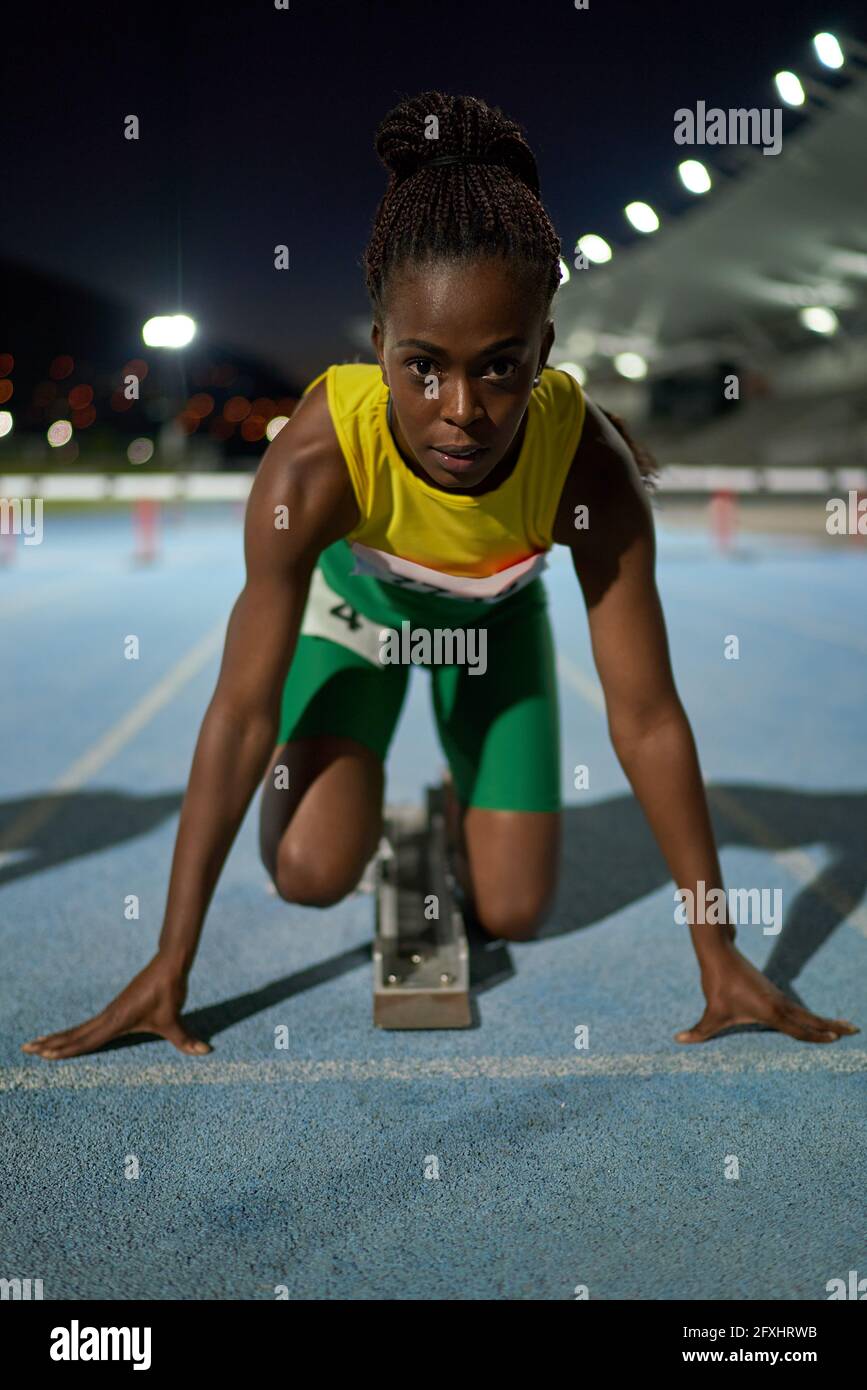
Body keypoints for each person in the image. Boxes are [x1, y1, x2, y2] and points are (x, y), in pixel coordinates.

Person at [23, 91, 857, 1060]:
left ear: (543, 352)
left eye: (500, 367)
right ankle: (364, 784)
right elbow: (243, 713)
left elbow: (648, 716)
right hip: (356, 630)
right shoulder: (314, 463)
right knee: (307, 869)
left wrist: (719, 952)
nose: (461, 408)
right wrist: (171, 961)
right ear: (378, 349)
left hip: (497, 637)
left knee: (514, 907)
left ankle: (463, 799)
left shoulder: (586, 465)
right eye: (424, 366)